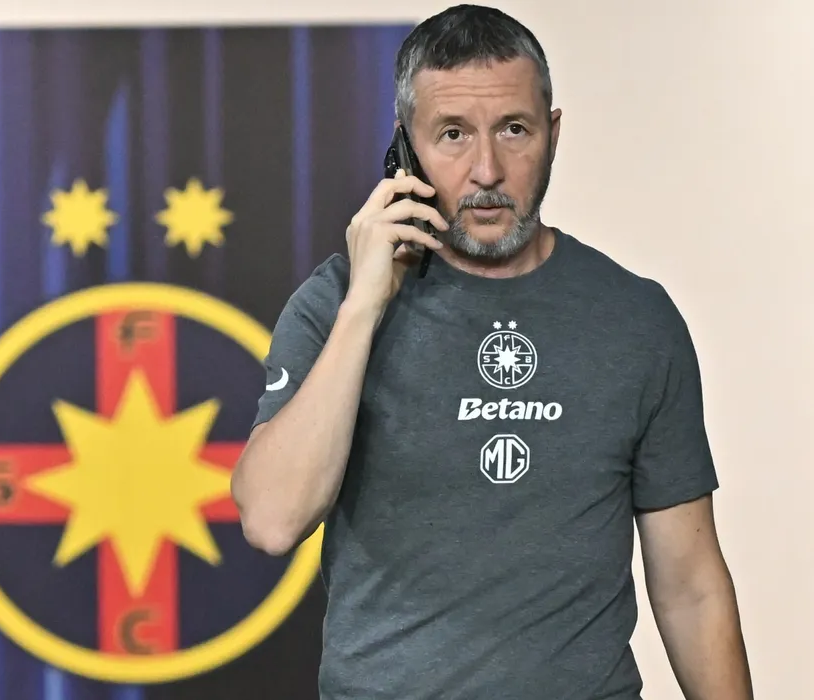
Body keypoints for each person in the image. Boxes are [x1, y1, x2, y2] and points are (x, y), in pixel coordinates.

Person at [230, 4, 753, 698]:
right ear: (405, 148)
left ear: (553, 135)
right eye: (452, 134)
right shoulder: (335, 305)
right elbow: (271, 519)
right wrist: (364, 306)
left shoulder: (636, 319)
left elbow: (691, 587)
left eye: (514, 129)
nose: (486, 169)